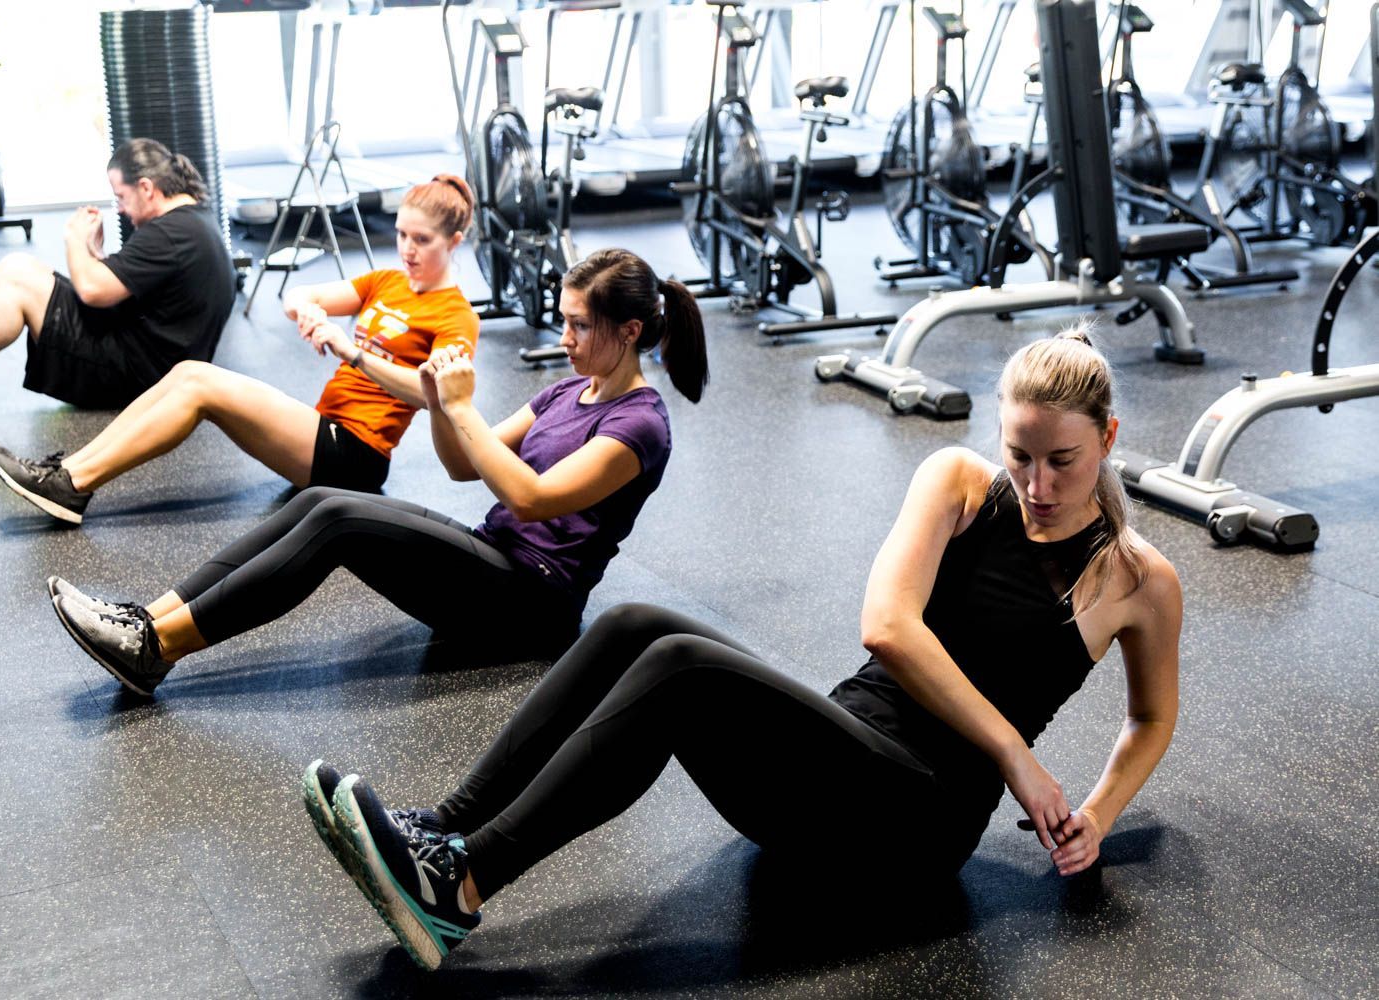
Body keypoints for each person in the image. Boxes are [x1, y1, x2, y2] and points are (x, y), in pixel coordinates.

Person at [298, 329, 1184, 972]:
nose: (1035, 484)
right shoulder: (958, 483)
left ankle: (459, 888)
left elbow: (1150, 717)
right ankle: (441, 828)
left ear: (1105, 439)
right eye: (1019, 453)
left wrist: (1097, 816)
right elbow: (888, 627)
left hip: (916, 826)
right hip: (842, 757)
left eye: (1061, 461)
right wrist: (1022, 756)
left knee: (680, 669)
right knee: (634, 623)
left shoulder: (1140, 581)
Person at [47, 247, 709, 695]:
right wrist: (442, 405)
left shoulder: (639, 424)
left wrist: (460, 406)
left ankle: (157, 649)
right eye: (563, 322)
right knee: (322, 501)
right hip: (494, 557)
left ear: (629, 331)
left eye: (580, 326)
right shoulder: (569, 391)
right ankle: (151, 618)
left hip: (533, 606)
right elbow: (459, 466)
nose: (565, 339)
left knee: (339, 519)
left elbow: (532, 498)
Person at [0, 176, 480, 524]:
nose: (407, 249)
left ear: (454, 241)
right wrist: (307, 309)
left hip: (357, 455)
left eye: (422, 240)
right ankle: (69, 476)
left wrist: (353, 354)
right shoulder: (387, 281)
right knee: (187, 372)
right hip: (323, 430)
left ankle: (72, 484)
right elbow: (296, 294)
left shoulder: (457, 315)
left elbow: (433, 393)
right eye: (400, 235)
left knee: (199, 382)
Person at [0, 138, 235, 429]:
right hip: (140, 361)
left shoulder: (172, 232)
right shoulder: (193, 223)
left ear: (146, 188)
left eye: (121, 198)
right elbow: (122, 290)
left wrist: (74, 239)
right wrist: (95, 252)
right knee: (15, 273)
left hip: (137, 380)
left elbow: (94, 291)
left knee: (17, 278)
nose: (121, 209)